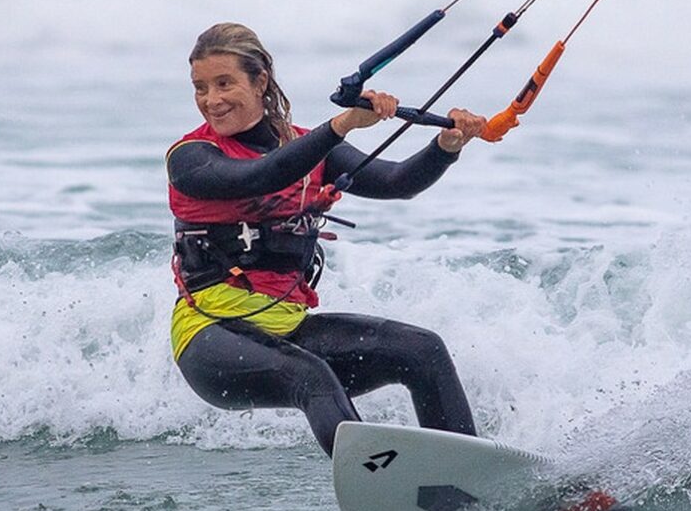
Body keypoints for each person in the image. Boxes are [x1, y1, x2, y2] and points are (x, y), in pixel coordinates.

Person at [167, 22, 489, 456]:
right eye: (200, 88)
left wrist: (445, 147)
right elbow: (263, 174)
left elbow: (395, 182)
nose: (211, 100)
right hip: (210, 337)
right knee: (312, 377)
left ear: (261, 81)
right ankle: (385, 489)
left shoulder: (305, 145)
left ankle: (469, 477)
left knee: (422, 350)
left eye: (224, 83)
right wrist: (341, 125)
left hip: (288, 330)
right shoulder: (191, 158)